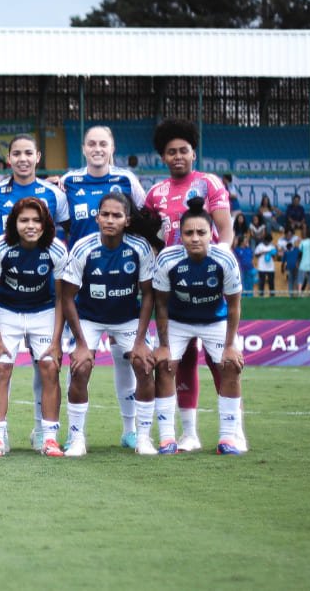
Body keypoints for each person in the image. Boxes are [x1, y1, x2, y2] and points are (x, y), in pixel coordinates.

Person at [143, 118, 238, 453]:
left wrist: (219, 261)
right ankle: (189, 434)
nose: (178, 156)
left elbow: (225, 230)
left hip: (208, 286)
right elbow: (151, 237)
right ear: (163, 157)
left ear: (193, 153)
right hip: (174, 288)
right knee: (179, 362)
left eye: (183, 150)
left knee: (221, 362)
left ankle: (233, 432)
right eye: (171, 152)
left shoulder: (209, 183)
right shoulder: (155, 194)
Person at [0, 133, 70, 449]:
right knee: (1, 368)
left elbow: (62, 297)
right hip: (7, 310)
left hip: (43, 310)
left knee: (49, 367)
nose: (30, 225)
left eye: (28, 153)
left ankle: (49, 437)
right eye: (16, 153)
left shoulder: (57, 247)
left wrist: (56, 340)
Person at [59, 192, 158, 456]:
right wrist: (81, 344)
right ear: (97, 218)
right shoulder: (83, 248)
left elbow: (148, 294)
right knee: (80, 367)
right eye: (105, 214)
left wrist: (140, 341)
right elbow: (67, 297)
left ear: (127, 220)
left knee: (144, 365)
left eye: (117, 215)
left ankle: (142, 437)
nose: (110, 220)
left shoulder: (139, 248)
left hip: (127, 319)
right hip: (89, 318)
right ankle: (76, 438)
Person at [151, 197, 246, 455]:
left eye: (201, 233)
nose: (195, 238)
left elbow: (234, 306)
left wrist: (230, 345)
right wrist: (163, 346)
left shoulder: (224, 260)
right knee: (164, 365)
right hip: (177, 321)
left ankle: (228, 439)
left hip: (215, 320)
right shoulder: (167, 259)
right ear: (180, 236)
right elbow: (160, 305)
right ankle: (168, 439)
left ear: (211, 234)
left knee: (231, 365)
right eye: (189, 233)